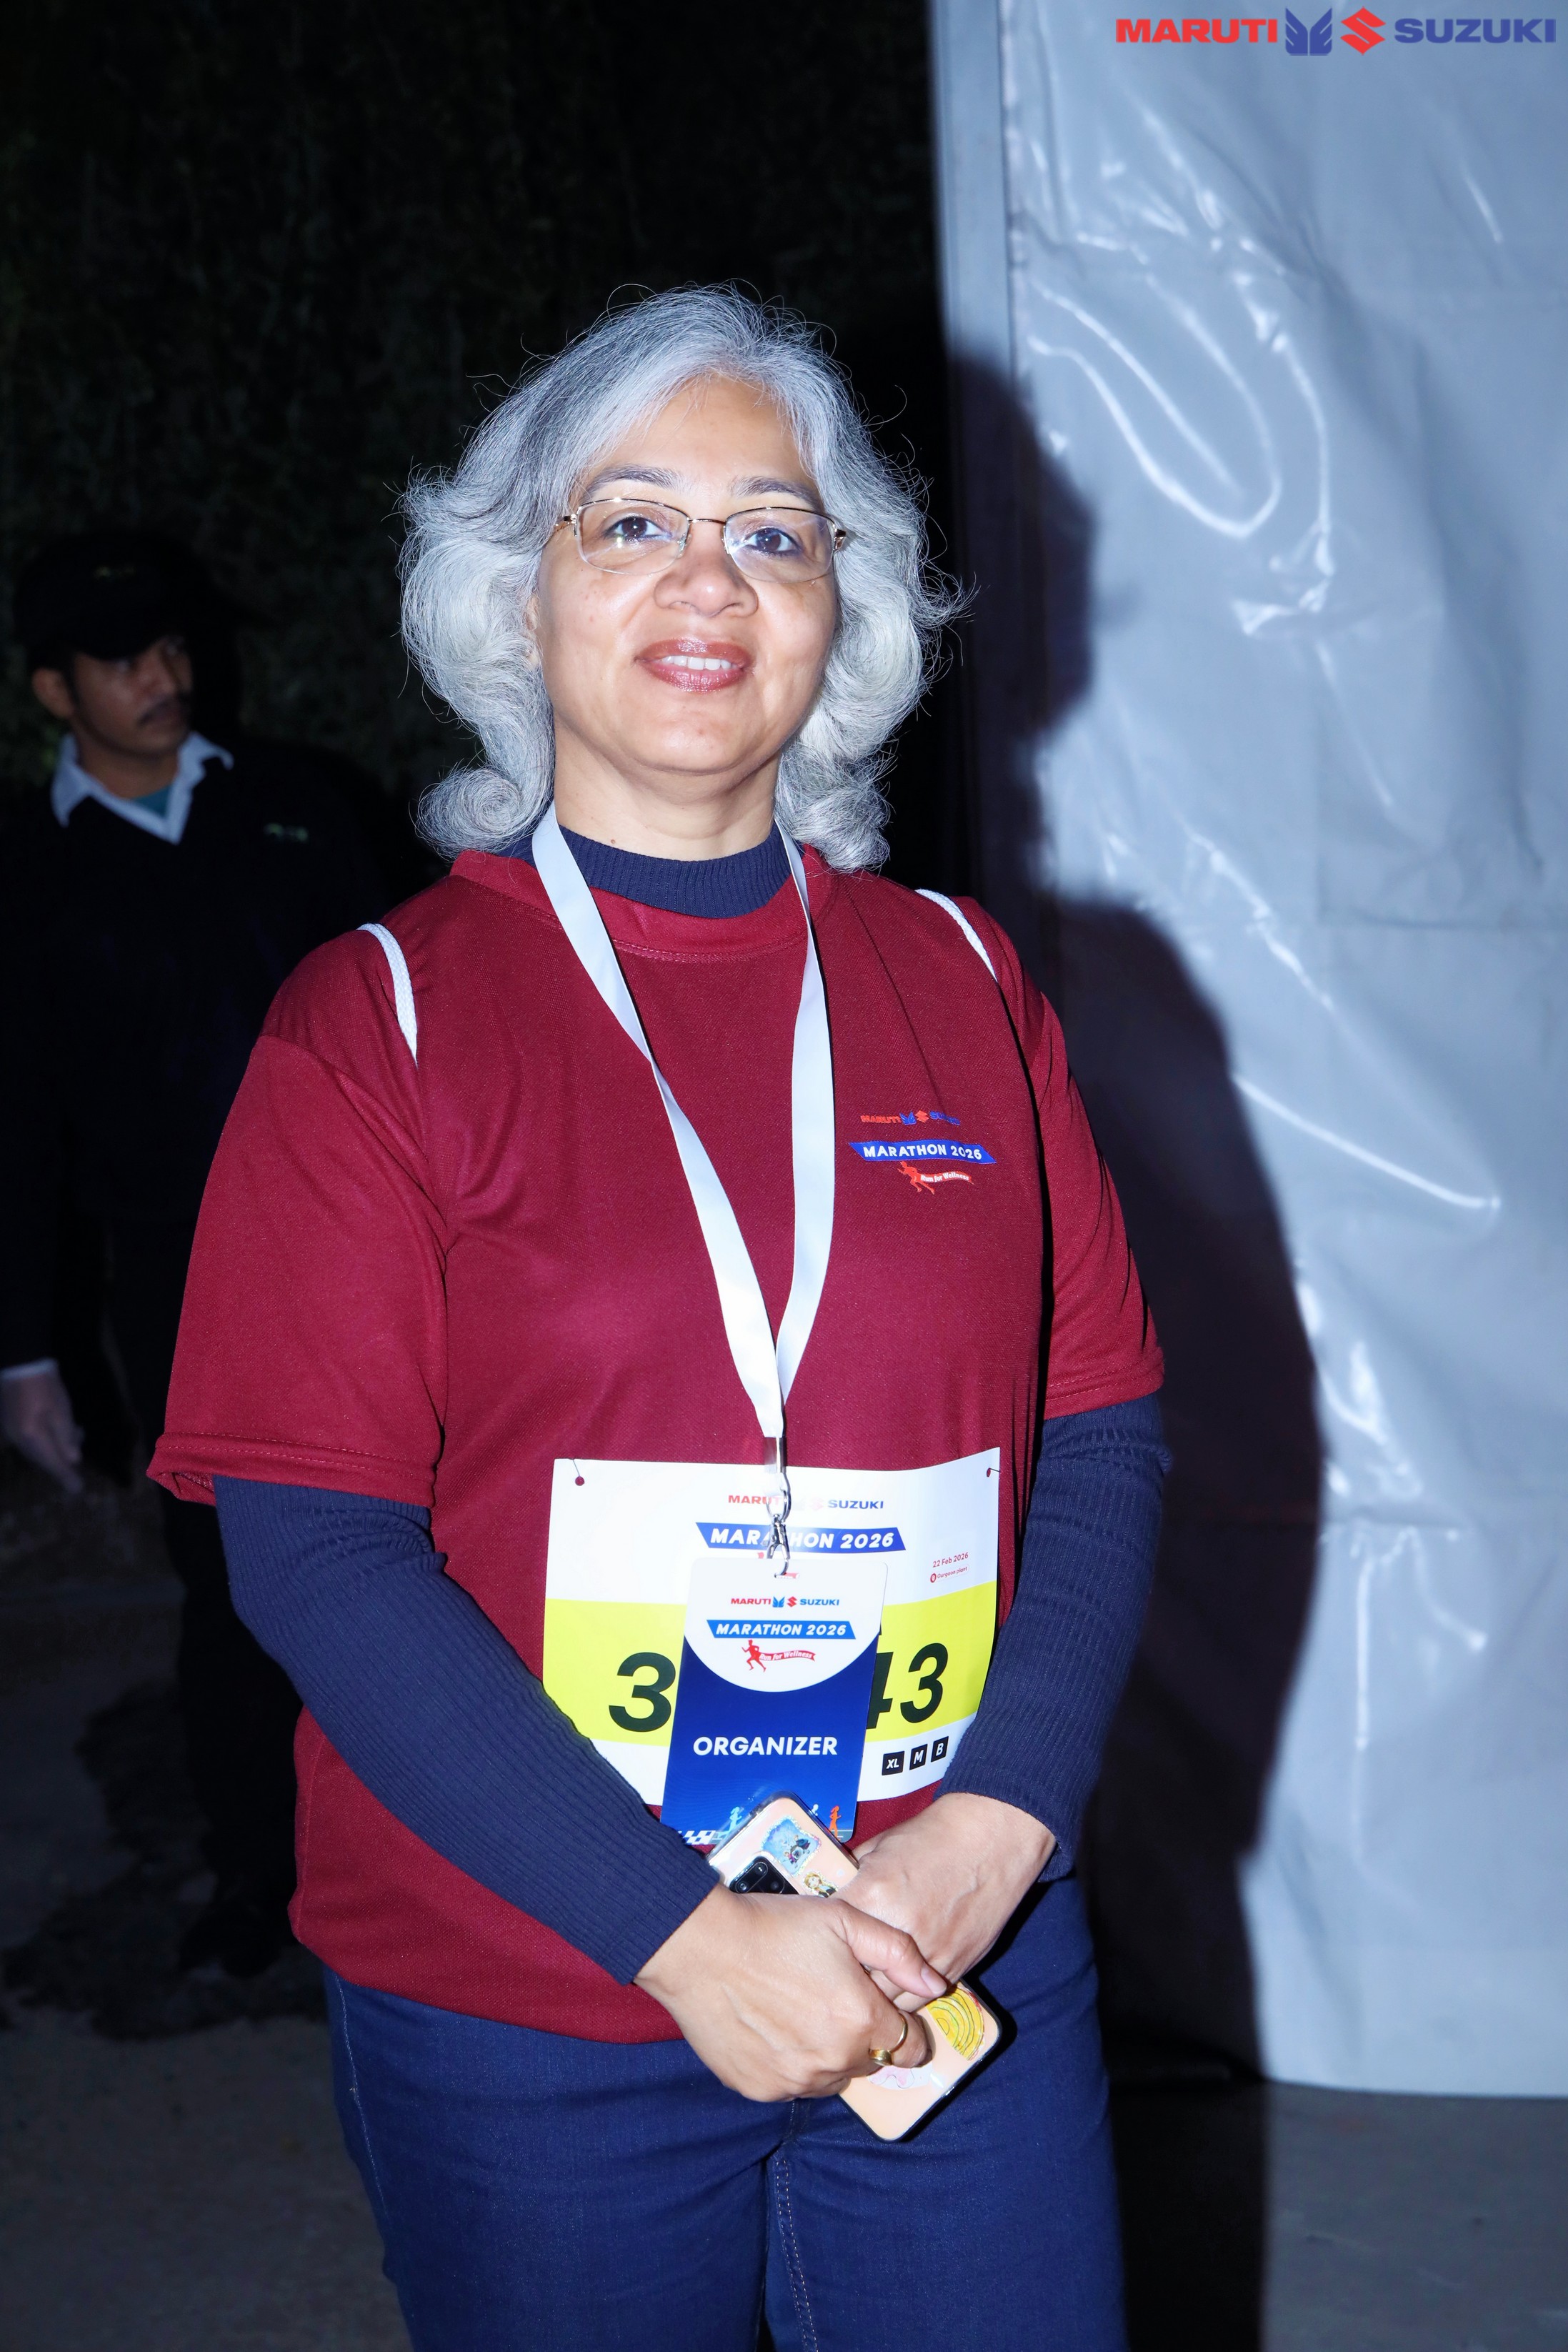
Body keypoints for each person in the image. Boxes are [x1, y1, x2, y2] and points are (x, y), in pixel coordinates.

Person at [149, 291, 1168, 2350]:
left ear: (841, 613)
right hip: (538, 1992)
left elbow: (1103, 1430)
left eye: (773, 533)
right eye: (630, 522)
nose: (709, 580)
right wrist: (683, 1936)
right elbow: (316, 1545)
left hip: (942, 1952)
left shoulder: (965, 981)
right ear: (514, 600)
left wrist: (994, 1833)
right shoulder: (379, 1021)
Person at [0, 530, 389, 1976]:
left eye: (172, 644)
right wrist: (24, 1349)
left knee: (413, 1545)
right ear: (55, 688)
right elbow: (17, 1120)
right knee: (231, 1572)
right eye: (121, 657)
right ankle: (255, 1877)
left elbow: (418, 1003)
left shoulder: (296, 805)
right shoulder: (27, 869)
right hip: (177, 1282)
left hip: (369, 1250)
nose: (163, 673)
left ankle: (433, 1853)